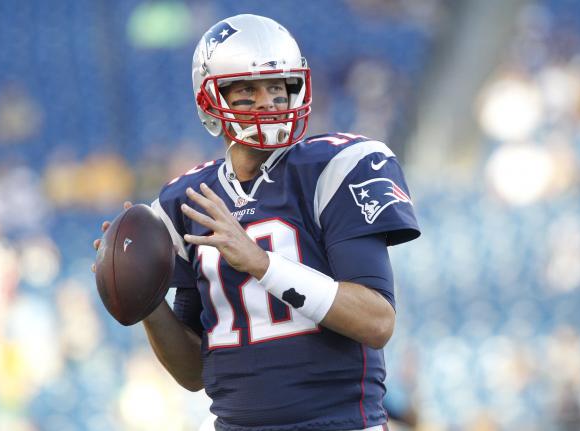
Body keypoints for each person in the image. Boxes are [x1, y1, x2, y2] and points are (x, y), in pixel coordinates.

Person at [93, 14, 420, 431]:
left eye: (277, 87)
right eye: (247, 89)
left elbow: (377, 322)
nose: (267, 101)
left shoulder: (337, 168)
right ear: (211, 99)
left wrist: (262, 264)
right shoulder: (185, 200)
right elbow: (193, 373)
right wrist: (145, 301)